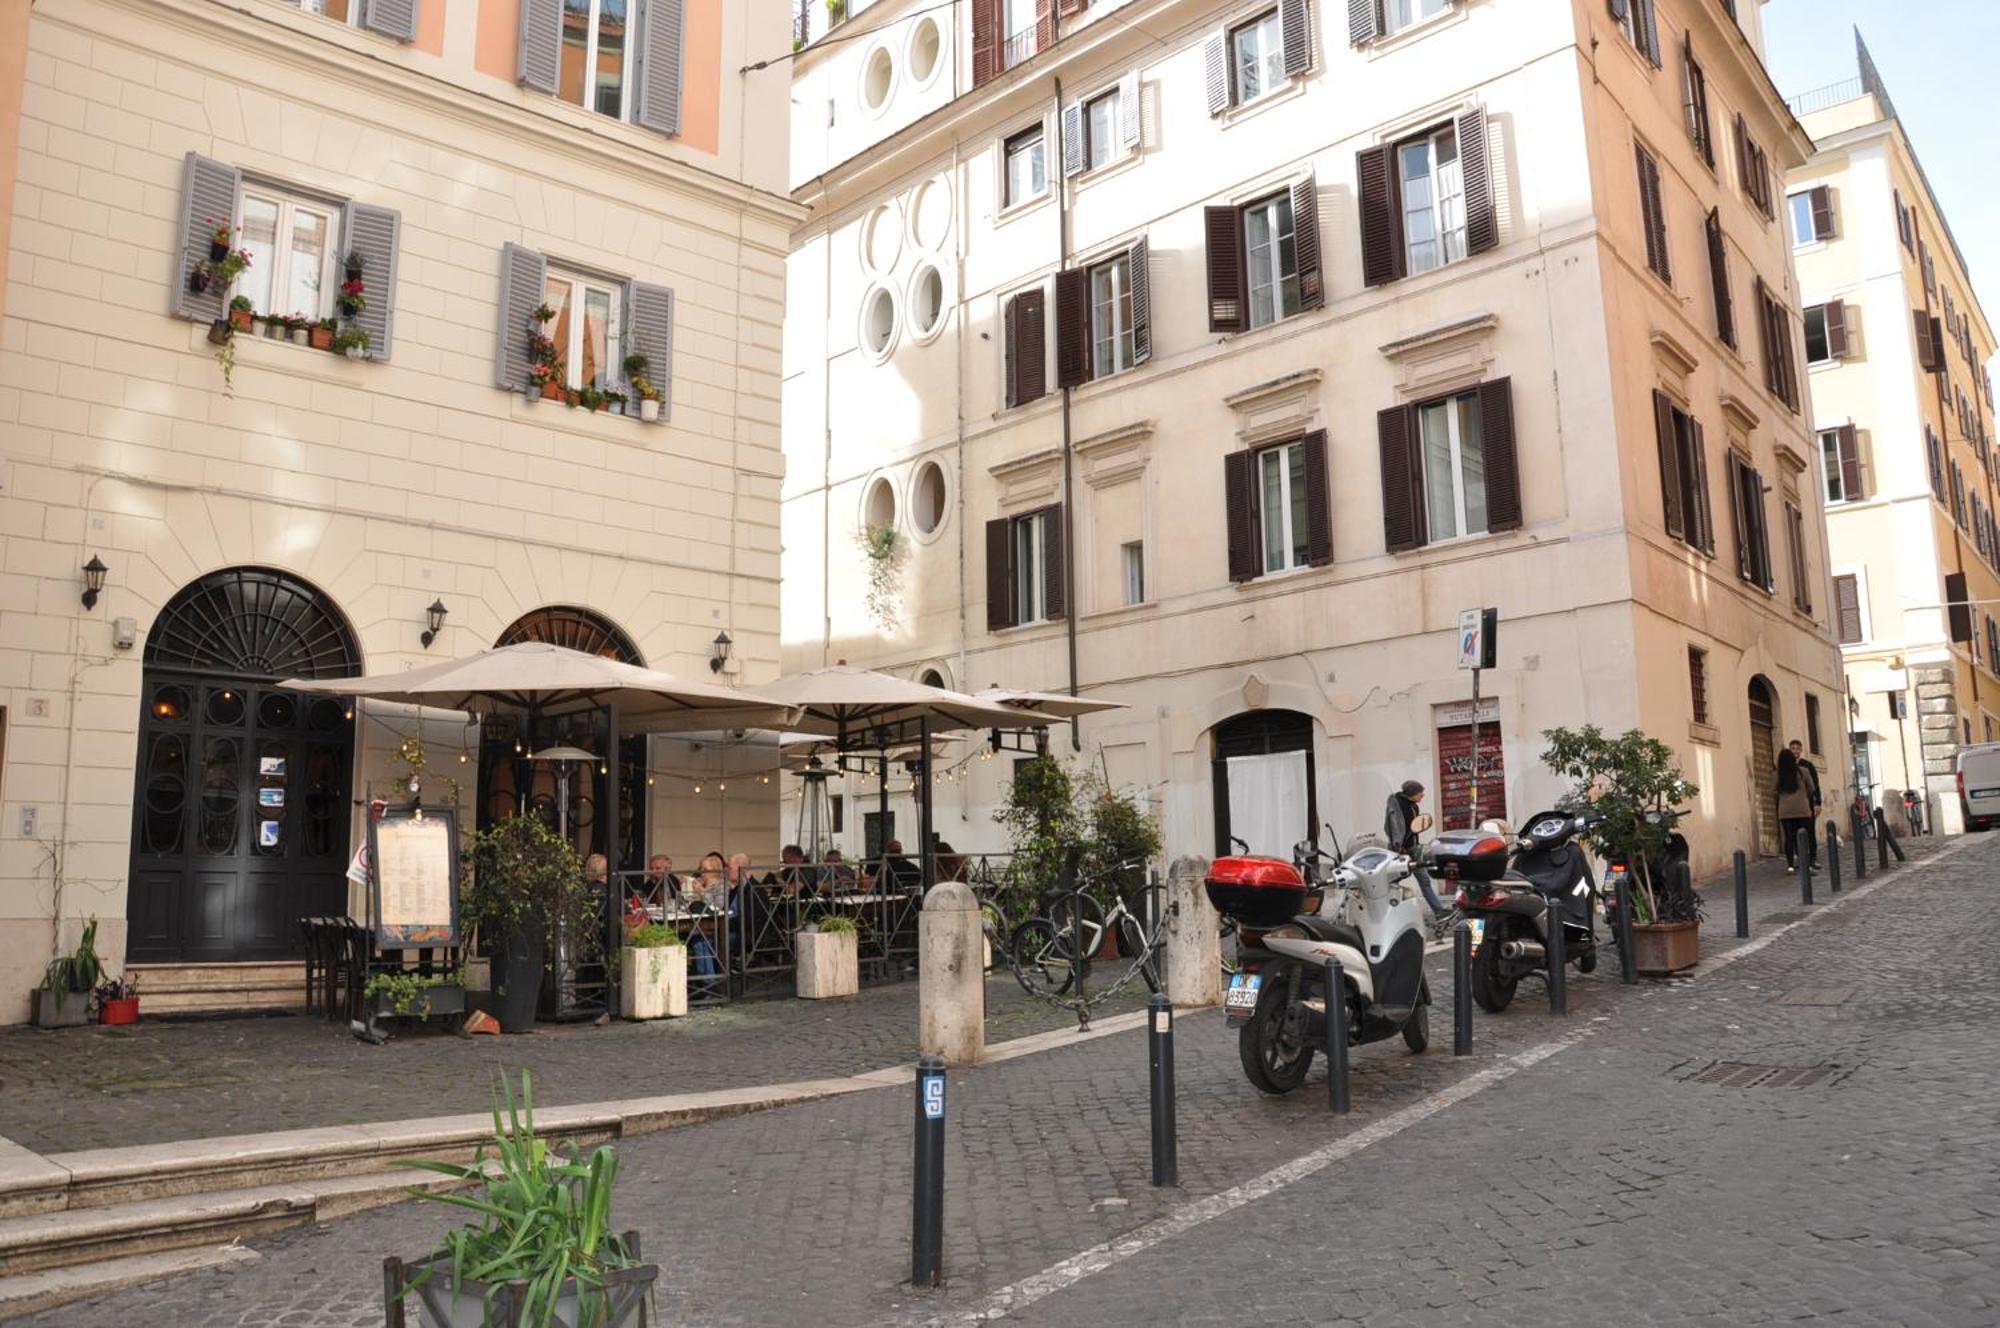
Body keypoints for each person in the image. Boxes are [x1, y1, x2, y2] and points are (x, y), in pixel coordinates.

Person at [1384, 780, 1449, 919]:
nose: (1423, 795)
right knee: (1392, 880)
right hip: (1399, 850)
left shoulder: (1414, 806)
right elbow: (1392, 827)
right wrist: (1398, 845)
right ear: (1413, 793)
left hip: (1413, 849)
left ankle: (1439, 911)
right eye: (1420, 793)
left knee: (1423, 880)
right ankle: (1387, 912)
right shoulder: (1397, 806)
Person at [1776, 746, 1818, 871]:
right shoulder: (1803, 771)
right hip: (1802, 810)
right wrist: (1804, 797)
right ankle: (1804, 861)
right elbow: (1811, 788)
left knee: (1789, 837)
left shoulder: (1777, 775)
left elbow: (1773, 791)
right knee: (1803, 836)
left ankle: (1790, 865)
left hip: (1785, 811)